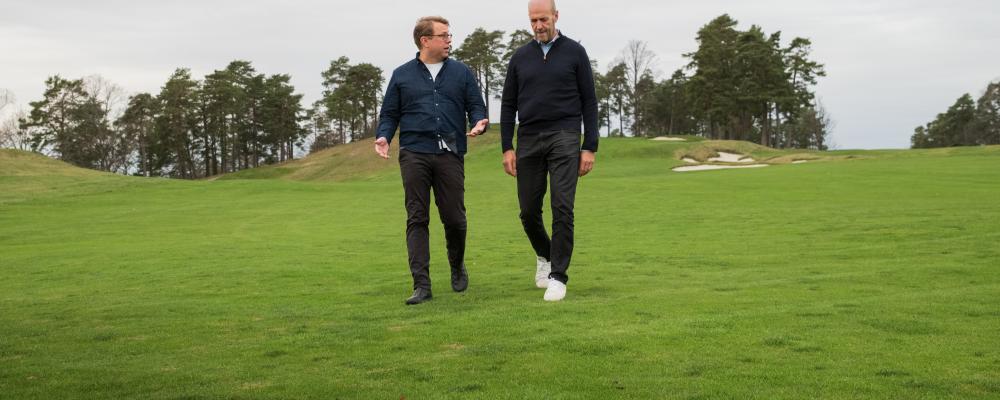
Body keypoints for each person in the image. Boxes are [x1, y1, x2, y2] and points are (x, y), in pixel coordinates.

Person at [375, 16, 489, 305]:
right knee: (417, 217)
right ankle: (421, 285)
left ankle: (456, 264)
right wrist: (384, 136)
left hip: (450, 153)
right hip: (414, 153)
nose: (449, 40)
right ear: (425, 41)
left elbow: (476, 105)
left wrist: (479, 121)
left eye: (449, 35)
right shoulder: (401, 75)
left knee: (455, 218)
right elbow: (389, 114)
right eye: (443, 35)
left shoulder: (462, 73)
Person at [499, 0, 598, 302]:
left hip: (565, 135)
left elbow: (589, 101)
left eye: (543, 19)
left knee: (562, 206)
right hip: (529, 137)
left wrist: (589, 146)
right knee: (528, 211)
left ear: (556, 16)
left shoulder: (575, 52)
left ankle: (558, 277)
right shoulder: (520, 57)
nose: (538, 25)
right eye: (533, 20)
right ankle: (545, 254)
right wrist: (507, 146)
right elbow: (508, 104)